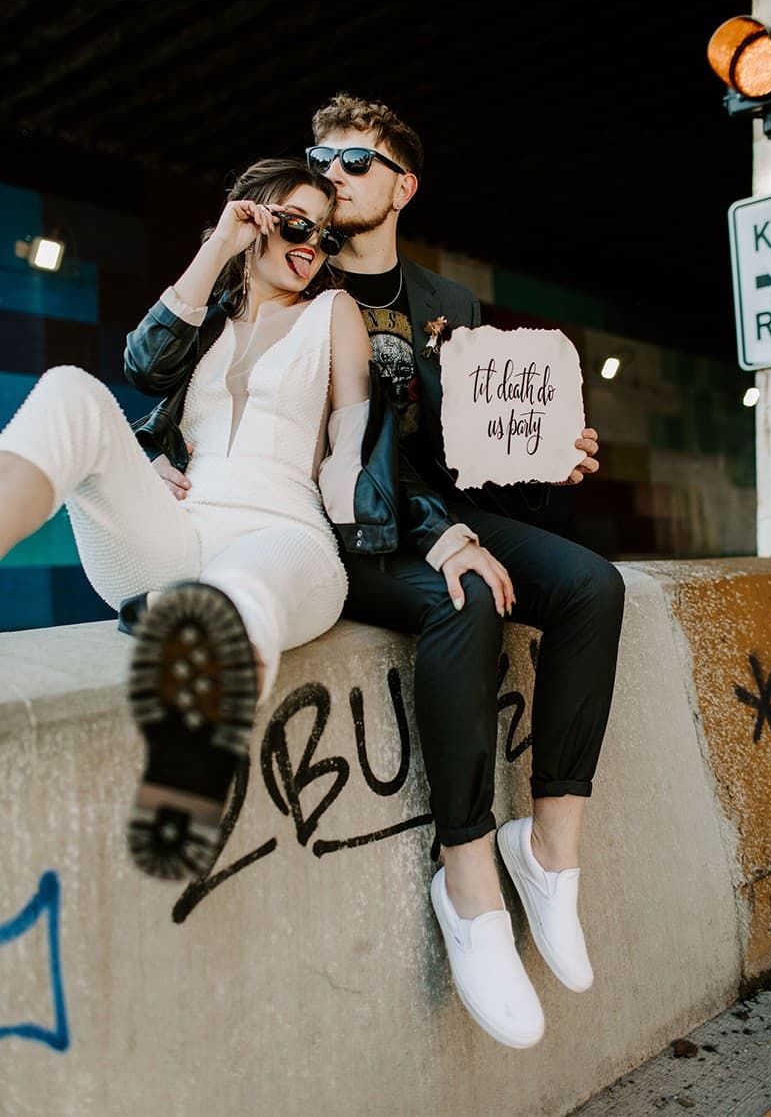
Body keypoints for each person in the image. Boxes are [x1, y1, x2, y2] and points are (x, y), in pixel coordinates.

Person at [155, 98, 627, 1050]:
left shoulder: (452, 310)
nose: (330, 172)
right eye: (318, 157)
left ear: (403, 185)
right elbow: (203, 384)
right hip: (342, 532)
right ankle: (468, 884)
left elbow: (479, 469)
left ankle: (549, 854)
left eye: (355, 161)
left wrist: (550, 460)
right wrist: (155, 455)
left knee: (593, 587)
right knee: (463, 601)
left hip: (444, 511)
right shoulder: (292, 280)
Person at [0, 156, 385, 885]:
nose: (311, 246)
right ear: (257, 216)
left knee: (238, 591)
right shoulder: (208, 319)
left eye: (326, 237)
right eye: (297, 224)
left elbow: (358, 447)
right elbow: (142, 367)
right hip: (176, 539)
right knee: (71, 390)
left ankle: (194, 750)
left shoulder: (333, 313)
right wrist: (220, 247)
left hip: (286, 540)